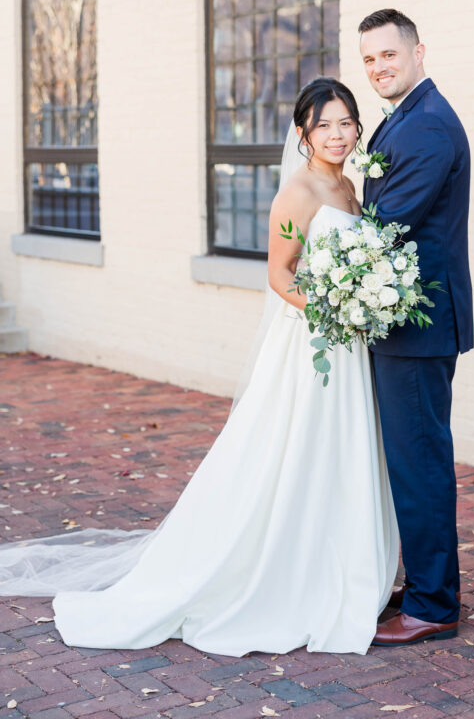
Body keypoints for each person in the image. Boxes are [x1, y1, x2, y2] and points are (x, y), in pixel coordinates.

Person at [0, 77, 399, 657]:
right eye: (324, 126)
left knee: (344, 450)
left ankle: (345, 565)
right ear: (302, 133)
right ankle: (283, 573)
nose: (337, 135)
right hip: (314, 343)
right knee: (297, 450)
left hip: (349, 344)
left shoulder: (347, 183)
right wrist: (334, 308)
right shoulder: (298, 192)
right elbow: (280, 274)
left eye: (346, 123)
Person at [359, 8, 474, 647]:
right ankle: (430, 581)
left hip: (417, 323)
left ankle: (433, 605)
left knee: (421, 462)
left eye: (389, 56)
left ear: (418, 52)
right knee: (413, 460)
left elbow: (386, 226)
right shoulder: (404, 118)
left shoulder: (427, 126)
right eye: (369, 59)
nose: (378, 68)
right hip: (404, 321)